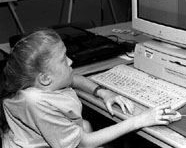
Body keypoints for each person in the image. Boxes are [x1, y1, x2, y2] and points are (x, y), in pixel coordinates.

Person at [0, 28, 177, 148]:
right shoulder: (36, 102)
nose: (70, 61)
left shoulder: (36, 83)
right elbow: (84, 143)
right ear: (45, 78)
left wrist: (103, 92)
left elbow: (74, 79)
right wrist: (141, 120)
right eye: (63, 59)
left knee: (85, 124)